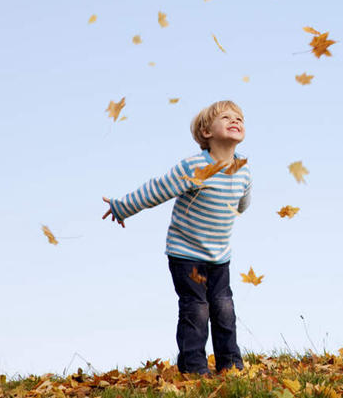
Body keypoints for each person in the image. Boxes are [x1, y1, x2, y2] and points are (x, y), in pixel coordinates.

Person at [101, 100, 251, 377]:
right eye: (226, 117)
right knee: (197, 309)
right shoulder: (195, 167)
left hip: (219, 256)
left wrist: (238, 206)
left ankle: (230, 365)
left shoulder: (243, 168)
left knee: (224, 308)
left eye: (239, 118)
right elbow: (158, 189)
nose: (235, 121)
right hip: (186, 254)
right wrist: (123, 206)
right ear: (206, 132)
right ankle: (193, 367)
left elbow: (243, 200)